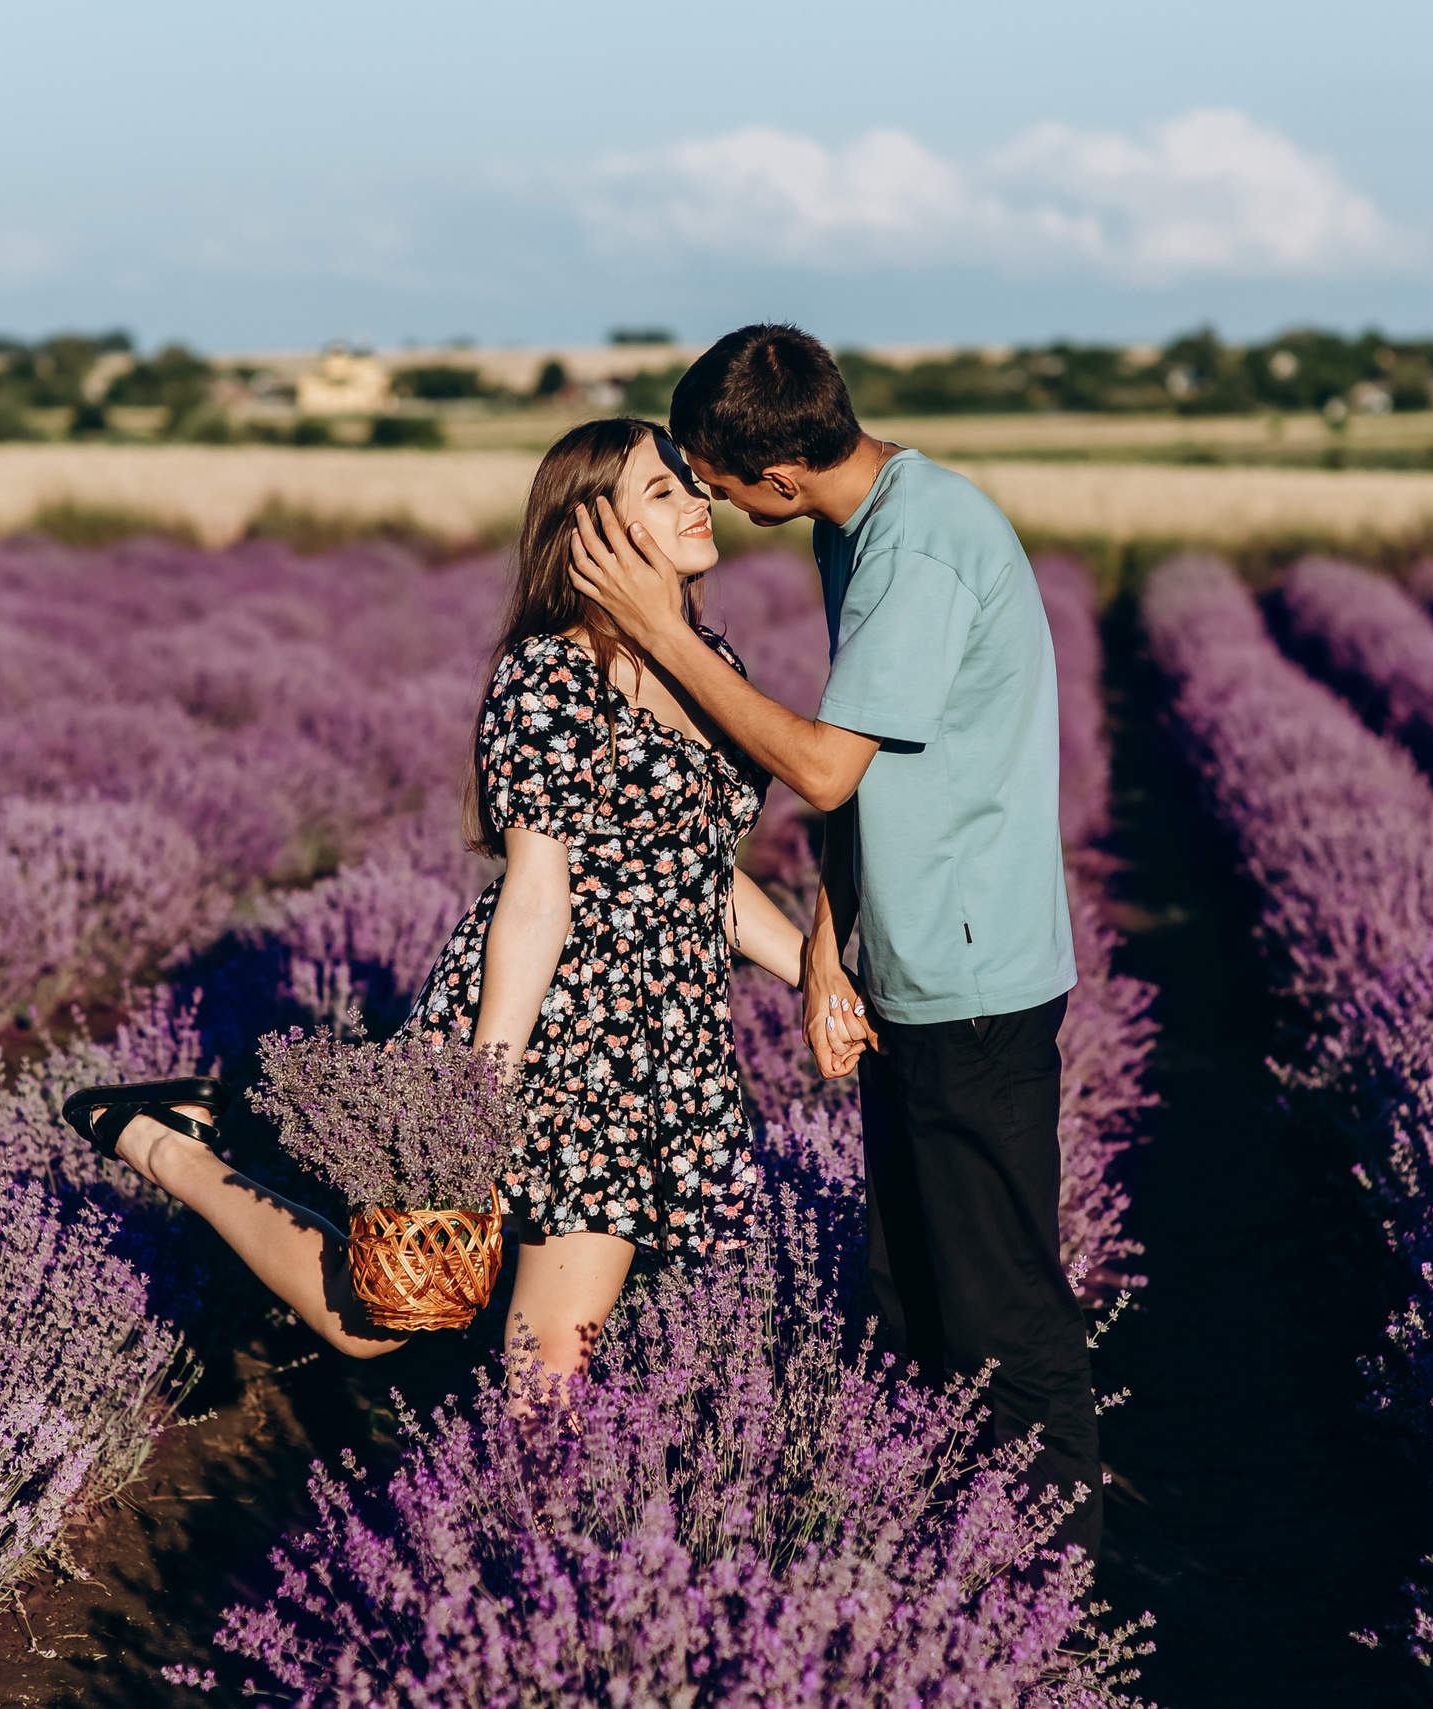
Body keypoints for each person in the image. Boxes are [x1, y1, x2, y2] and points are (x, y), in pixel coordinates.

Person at [63, 417, 831, 1393]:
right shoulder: (550, 673)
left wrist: (819, 970)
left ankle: (532, 1522)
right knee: (386, 1312)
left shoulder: (707, 659)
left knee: (552, 1351)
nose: (699, 501)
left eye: (693, 485)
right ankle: (174, 1149)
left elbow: (700, 872)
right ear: (594, 531)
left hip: (663, 1038)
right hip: (558, 1019)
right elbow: (536, 893)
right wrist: (481, 1088)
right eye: (664, 490)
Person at [564, 323, 1103, 1560]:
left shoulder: (915, 547)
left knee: (998, 1308)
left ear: (781, 474)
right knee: (910, 1288)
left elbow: (818, 762)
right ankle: (939, 1556)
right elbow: (874, 771)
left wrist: (661, 630)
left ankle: (1059, 1584)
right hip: (909, 955)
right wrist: (823, 941)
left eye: (708, 473)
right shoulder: (853, 521)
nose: (700, 492)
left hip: (969, 969)